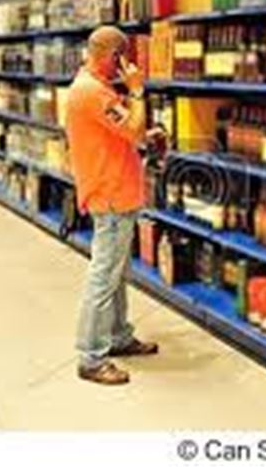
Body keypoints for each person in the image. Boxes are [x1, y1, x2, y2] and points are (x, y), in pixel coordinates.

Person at [66, 26, 159, 385]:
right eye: (124, 55)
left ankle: (118, 336)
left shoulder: (93, 87)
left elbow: (123, 133)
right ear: (114, 55)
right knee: (104, 276)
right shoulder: (93, 92)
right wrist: (136, 90)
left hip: (116, 191)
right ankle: (90, 357)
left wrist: (141, 134)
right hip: (111, 194)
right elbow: (133, 129)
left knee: (118, 272)